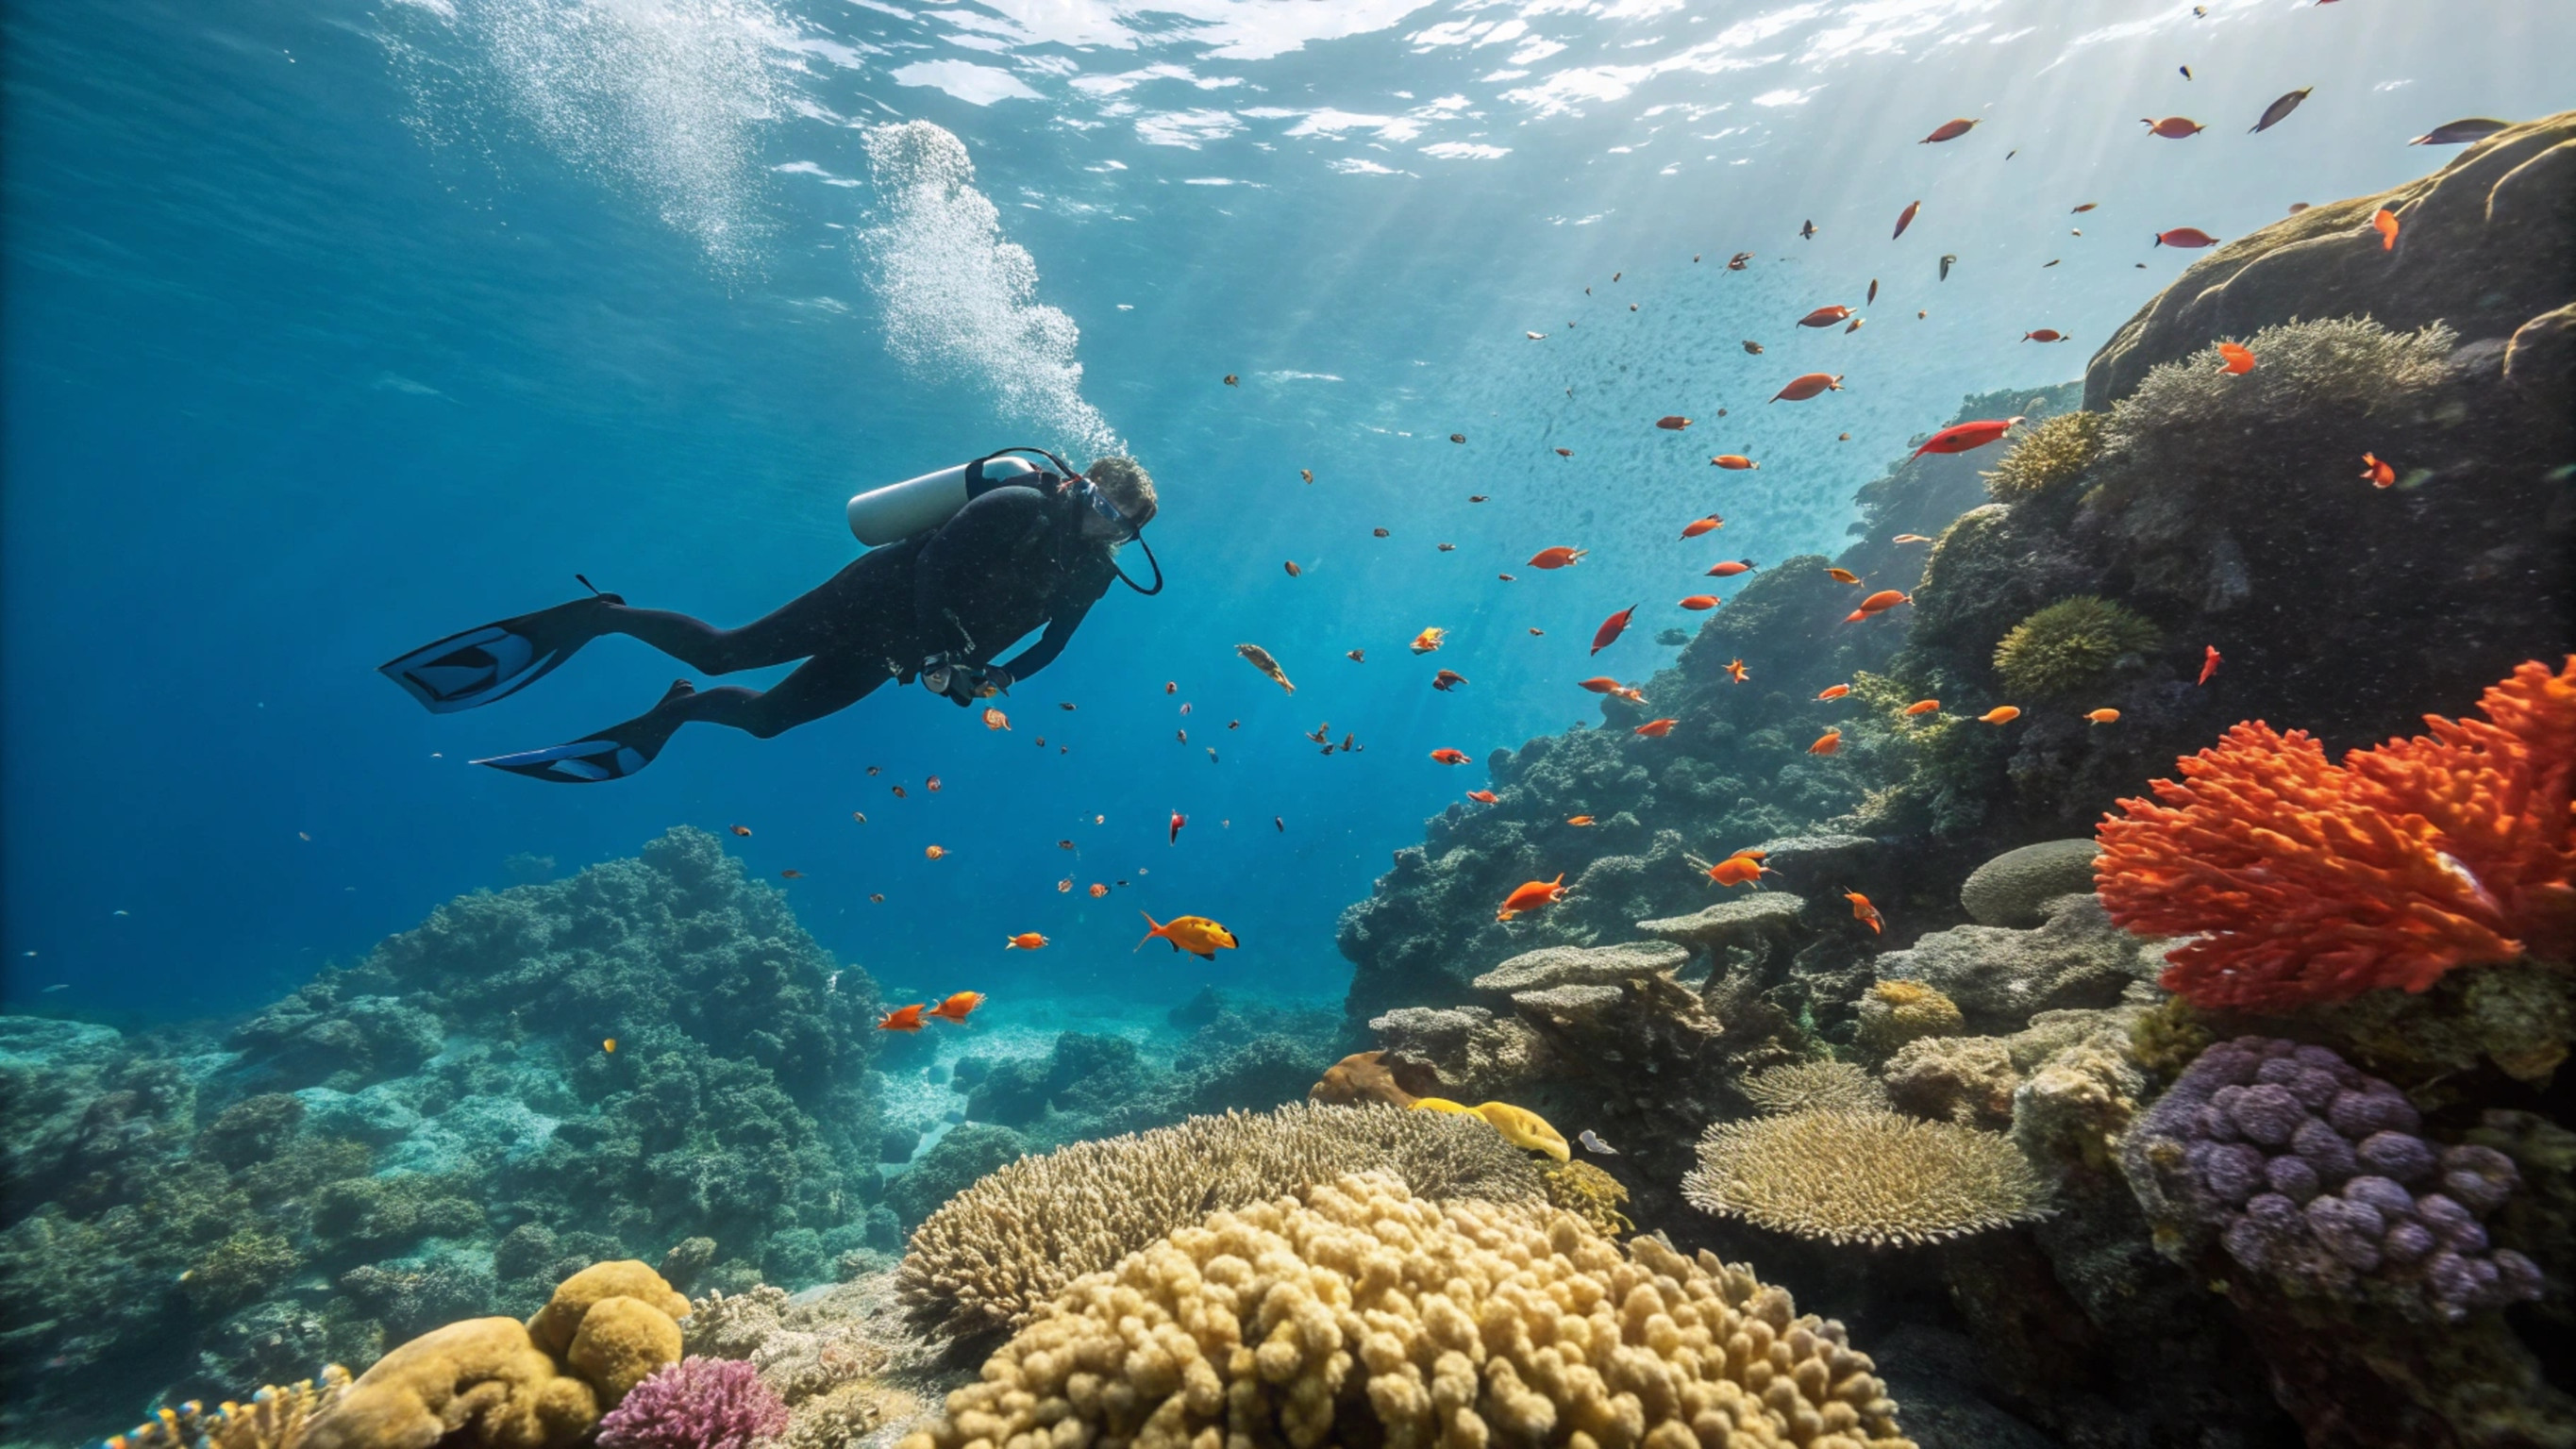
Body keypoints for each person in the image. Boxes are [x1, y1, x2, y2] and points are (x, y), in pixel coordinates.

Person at [380, 450, 1161, 782]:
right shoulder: (1016, 501)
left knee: (765, 722)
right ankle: (604, 616)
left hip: (903, 649)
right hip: (872, 600)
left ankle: (678, 713)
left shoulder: (1092, 577)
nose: (1102, 528)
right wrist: (936, 650)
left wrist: (990, 676)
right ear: (1080, 486)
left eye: (1120, 525)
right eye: (1099, 506)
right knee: (724, 654)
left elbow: (1051, 649)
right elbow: (931, 565)